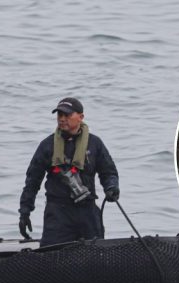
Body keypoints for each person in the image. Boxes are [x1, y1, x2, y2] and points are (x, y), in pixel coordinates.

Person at [18, 97, 119, 247]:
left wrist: (111, 188)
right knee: (50, 257)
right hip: (58, 213)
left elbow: (108, 172)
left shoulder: (95, 144)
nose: (62, 119)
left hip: (87, 211)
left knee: (97, 254)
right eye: (59, 115)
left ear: (81, 117)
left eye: (67, 115)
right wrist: (25, 212)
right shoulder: (47, 146)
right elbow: (32, 182)